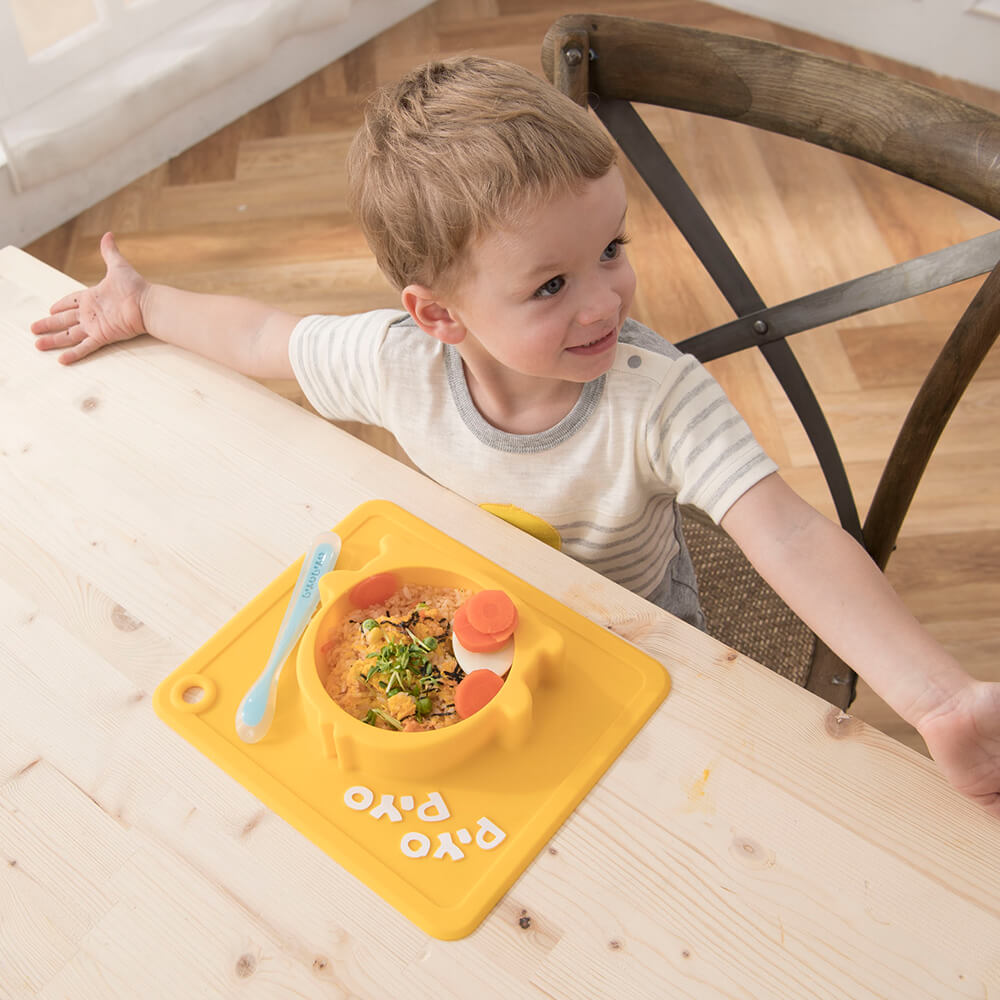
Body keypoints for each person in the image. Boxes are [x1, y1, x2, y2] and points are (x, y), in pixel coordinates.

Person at [30, 56, 999, 817]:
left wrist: (936, 698)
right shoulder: (394, 359)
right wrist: (146, 304)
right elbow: (261, 336)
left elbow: (787, 534)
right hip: (468, 636)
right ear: (437, 315)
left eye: (611, 250)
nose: (607, 298)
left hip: (638, 651)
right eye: (550, 285)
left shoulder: (653, 394)